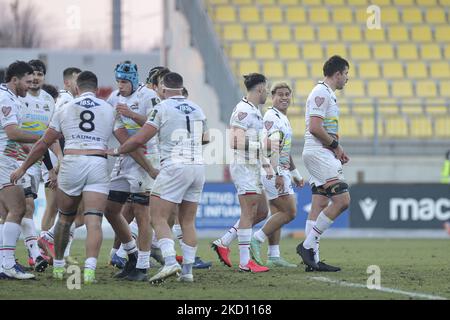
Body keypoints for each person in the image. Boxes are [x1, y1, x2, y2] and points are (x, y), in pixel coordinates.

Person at [11, 71, 115, 284]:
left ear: (77, 89)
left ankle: (58, 267)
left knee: (65, 218)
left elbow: (43, 143)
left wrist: (23, 167)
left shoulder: (65, 108)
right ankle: (89, 272)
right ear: (96, 89)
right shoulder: (109, 108)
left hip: (73, 162)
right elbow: (125, 138)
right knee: (94, 220)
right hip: (97, 162)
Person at [108, 72, 209, 283]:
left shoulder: (161, 107)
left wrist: (118, 151)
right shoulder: (196, 108)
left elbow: (141, 138)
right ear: (181, 88)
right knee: (187, 221)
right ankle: (188, 271)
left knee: (157, 217)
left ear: (163, 89)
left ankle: (171, 262)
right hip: (198, 167)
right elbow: (205, 138)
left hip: (174, 166)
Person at [104, 61, 159, 281]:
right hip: (124, 158)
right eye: (118, 81)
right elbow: (117, 130)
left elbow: (157, 124)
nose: (121, 85)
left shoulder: (148, 96)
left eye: (125, 81)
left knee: (141, 213)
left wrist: (133, 115)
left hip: (146, 157)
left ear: (135, 80)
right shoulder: (113, 98)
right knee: (111, 209)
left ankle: (143, 267)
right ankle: (133, 255)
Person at [296, 55, 351, 272]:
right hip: (318, 152)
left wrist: (338, 149)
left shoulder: (326, 93)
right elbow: (315, 128)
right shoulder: (320, 92)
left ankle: (313, 260)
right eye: (346, 74)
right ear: (337, 74)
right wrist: (335, 146)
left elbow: (323, 129)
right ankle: (308, 246)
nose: (347, 79)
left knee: (318, 203)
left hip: (321, 152)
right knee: (342, 200)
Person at [212, 73, 270, 273]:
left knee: (262, 211)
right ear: (260, 88)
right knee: (249, 212)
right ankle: (245, 262)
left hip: (253, 167)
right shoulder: (243, 110)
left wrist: (265, 163)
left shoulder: (254, 110)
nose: (267, 93)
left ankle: (224, 241)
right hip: (243, 166)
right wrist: (261, 145)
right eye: (267, 88)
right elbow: (234, 141)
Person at [249, 82, 304, 268]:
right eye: (280, 94)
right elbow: (271, 148)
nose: (284, 97)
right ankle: (256, 239)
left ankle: (274, 255)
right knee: (290, 212)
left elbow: (284, 149)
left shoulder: (282, 118)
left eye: (287, 94)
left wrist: (295, 172)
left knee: (277, 213)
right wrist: (279, 173)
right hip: (273, 171)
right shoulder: (272, 116)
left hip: (277, 170)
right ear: (272, 96)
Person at [0, 61, 40, 280]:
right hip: (3, 162)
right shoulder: (6, 98)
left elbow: (11, 138)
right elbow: (13, 133)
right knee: (18, 208)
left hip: (7, 158)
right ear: (14, 80)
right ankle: (8, 265)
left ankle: (3, 265)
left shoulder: (7, 96)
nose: (30, 85)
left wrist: (30, 152)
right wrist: (44, 136)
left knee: (6, 214)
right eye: (27, 81)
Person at [39, 67, 83, 266]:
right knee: (57, 207)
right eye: (76, 80)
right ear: (67, 83)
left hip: (64, 158)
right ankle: (48, 247)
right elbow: (56, 131)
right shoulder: (66, 100)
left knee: (66, 210)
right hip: (61, 159)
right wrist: (60, 158)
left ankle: (54, 247)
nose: (79, 84)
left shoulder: (70, 99)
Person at [18, 59, 58, 271]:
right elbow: (16, 135)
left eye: (39, 74)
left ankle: (36, 252)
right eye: (31, 74)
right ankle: (35, 252)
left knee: (36, 208)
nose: (35, 78)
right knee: (26, 207)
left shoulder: (49, 100)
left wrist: (56, 163)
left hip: (40, 160)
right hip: (19, 158)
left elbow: (51, 136)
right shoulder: (18, 98)